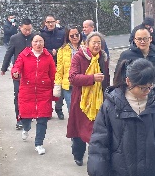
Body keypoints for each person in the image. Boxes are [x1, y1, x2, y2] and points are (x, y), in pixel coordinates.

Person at [119, 26, 155, 176]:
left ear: (150, 39)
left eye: (145, 39)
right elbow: (119, 79)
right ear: (134, 40)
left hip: (154, 100)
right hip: (133, 101)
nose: (142, 42)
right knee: (136, 135)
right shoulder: (127, 55)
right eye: (139, 39)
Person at [67, 31, 110, 166]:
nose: (96, 45)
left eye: (99, 43)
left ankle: (96, 159)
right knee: (79, 130)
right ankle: (78, 155)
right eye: (94, 42)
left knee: (97, 131)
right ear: (87, 44)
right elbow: (72, 78)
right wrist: (92, 78)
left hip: (99, 100)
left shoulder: (103, 58)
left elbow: (106, 79)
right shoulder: (79, 57)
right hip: (81, 100)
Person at [11, 35, 56, 155]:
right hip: (27, 91)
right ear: (31, 43)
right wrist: (15, 72)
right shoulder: (24, 55)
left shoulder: (48, 56)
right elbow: (17, 66)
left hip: (44, 91)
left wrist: (55, 91)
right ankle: (26, 128)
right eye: (36, 41)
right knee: (26, 117)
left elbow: (53, 74)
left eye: (41, 41)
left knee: (43, 119)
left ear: (44, 43)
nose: (38, 44)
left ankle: (39, 143)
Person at [2, 18, 36, 130]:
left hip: (33, 71)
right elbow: (9, 53)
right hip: (18, 71)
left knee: (31, 95)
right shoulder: (14, 38)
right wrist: (4, 67)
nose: (27, 32)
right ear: (20, 28)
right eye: (25, 29)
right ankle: (19, 118)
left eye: (29, 29)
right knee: (18, 95)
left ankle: (29, 115)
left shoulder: (35, 38)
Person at [41, 14, 66, 119]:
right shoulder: (41, 34)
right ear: (45, 23)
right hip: (46, 64)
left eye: (52, 22)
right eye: (48, 22)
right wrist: (50, 52)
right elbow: (39, 47)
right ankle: (48, 110)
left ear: (56, 22)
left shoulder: (62, 33)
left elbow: (65, 45)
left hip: (60, 64)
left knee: (60, 88)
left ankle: (58, 108)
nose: (50, 24)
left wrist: (58, 51)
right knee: (46, 89)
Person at [53, 26, 82, 117]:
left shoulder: (86, 47)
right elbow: (59, 69)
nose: (75, 37)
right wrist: (57, 85)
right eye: (72, 36)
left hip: (84, 83)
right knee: (72, 110)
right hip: (69, 84)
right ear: (67, 37)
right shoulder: (62, 50)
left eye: (77, 35)